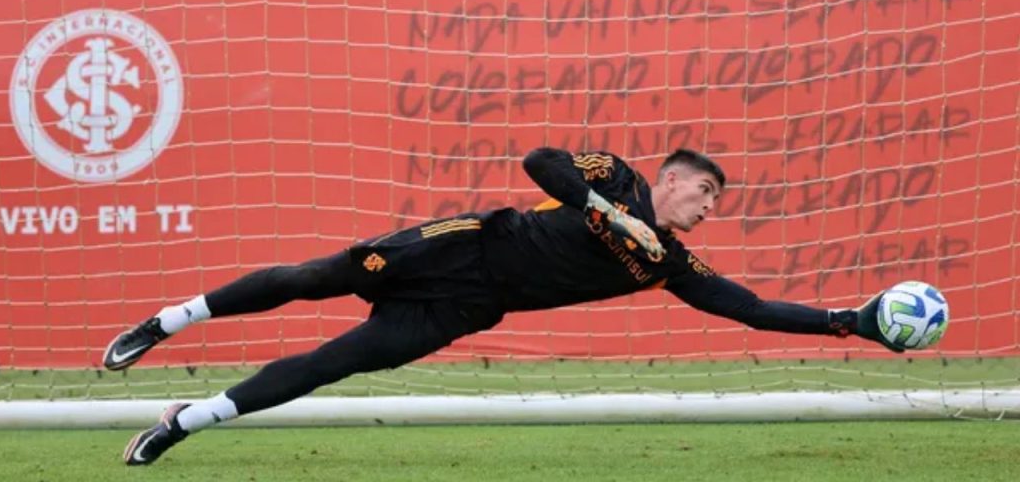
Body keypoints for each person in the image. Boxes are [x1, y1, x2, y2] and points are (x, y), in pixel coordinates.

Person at [107, 147, 898, 466]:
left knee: (330, 364)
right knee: (313, 278)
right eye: (708, 193)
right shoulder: (617, 176)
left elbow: (752, 310)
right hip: (460, 245)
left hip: (471, 308)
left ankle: (183, 423)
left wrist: (851, 323)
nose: (710, 208)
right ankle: (166, 322)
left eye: (717, 202)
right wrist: (604, 206)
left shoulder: (670, 263)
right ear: (676, 177)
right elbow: (541, 162)